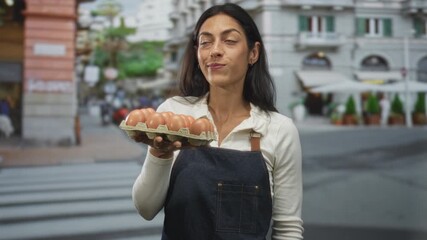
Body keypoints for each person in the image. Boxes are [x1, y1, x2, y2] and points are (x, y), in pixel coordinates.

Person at [132, 3, 303, 239]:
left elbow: (288, 229)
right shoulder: (174, 113)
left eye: (230, 41)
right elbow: (146, 209)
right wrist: (159, 154)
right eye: (205, 42)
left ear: (253, 53)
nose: (215, 50)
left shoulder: (278, 129)